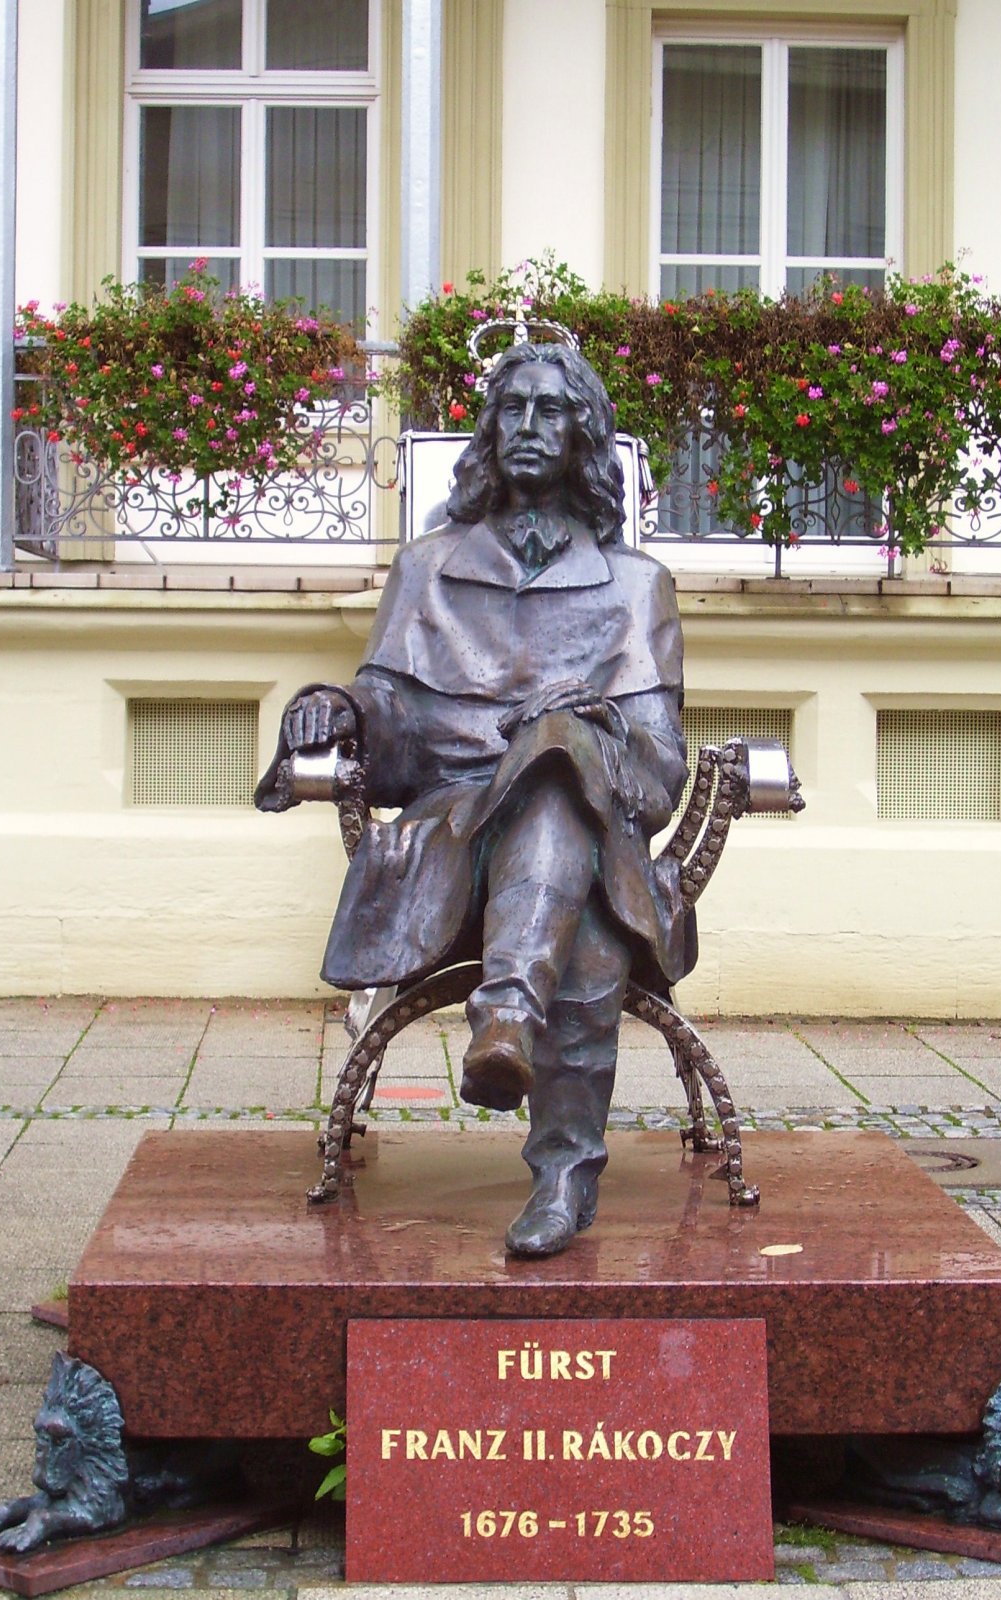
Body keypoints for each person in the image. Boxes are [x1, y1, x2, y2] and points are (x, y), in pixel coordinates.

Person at [257, 343, 692, 1257]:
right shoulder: (427, 567)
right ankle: (561, 1167)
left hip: (591, 821)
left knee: (558, 766)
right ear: (489, 433)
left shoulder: (636, 585)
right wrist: (339, 707)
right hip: (456, 830)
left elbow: (659, 772)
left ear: (585, 437)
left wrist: (594, 724)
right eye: (512, 409)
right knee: (574, 884)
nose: (528, 427)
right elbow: (388, 713)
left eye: (551, 410)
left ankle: (507, 1021)